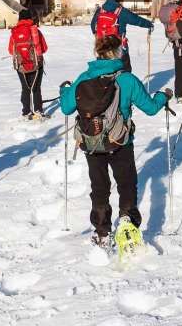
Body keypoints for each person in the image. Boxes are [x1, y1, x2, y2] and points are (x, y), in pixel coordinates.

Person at [59, 35, 171, 248]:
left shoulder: (83, 78)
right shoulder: (127, 79)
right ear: (118, 52)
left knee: (99, 186)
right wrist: (163, 97)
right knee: (127, 183)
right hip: (120, 142)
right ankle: (127, 222)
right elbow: (150, 108)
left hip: (91, 143)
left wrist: (65, 91)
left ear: (97, 52)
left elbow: (66, 107)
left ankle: (102, 232)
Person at [90, 0, 153, 73]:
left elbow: (93, 26)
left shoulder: (100, 11)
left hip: (102, 47)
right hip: (118, 48)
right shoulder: (121, 11)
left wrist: (101, 36)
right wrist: (149, 24)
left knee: (103, 73)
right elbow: (136, 20)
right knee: (125, 73)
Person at [8, 9, 48, 119]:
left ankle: (26, 111)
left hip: (21, 66)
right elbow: (44, 48)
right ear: (30, 18)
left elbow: (11, 51)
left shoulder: (14, 32)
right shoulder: (35, 31)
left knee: (25, 88)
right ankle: (38, 110)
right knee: (36, 88)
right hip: (36, 64)